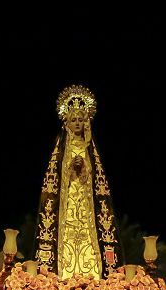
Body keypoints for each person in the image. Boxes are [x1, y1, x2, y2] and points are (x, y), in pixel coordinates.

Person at [34, 85, 121, 280]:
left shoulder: (91, 149)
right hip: (67, 203)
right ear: (66, 123)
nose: (77, 123)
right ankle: (64, 275)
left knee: (89, 238)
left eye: (81, 119)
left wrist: (85, 168)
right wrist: (70, 167)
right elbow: (55, 179)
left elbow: (97, 180)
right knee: (68, 237)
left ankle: (93, 275)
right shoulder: (62, 148)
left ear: (87, 122)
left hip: (87, 203)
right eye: (73, 120)